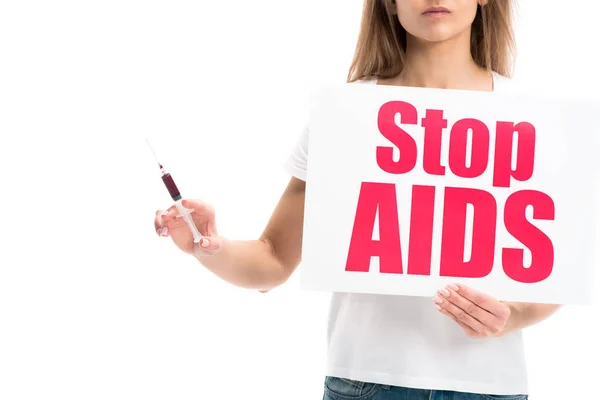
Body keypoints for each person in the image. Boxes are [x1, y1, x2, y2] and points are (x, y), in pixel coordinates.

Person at [154, 1, 561, 399]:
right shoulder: (345, 115)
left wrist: (514, 316)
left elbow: (561, 274)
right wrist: (204, 245)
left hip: (489, 384)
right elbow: (273, 261)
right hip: (366, 381)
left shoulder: (532, 117)